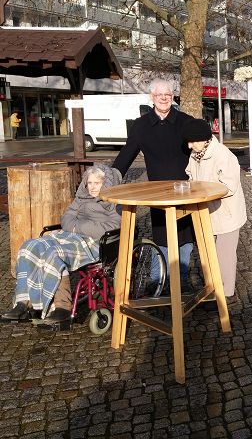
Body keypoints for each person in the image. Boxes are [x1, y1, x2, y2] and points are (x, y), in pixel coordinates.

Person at [0, 165, 122, 329]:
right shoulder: (81, 198)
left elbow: (112, 226)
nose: (92, 187)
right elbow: (66, 219)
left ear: (106, 184)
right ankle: (24, 304)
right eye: (89, 183)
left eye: (97, 183)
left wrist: (78, 226)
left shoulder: (114, 202)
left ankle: (62, 308)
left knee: (52, 253)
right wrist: (76, 227)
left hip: (94, 243)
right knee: (29, 246)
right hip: (70, 237)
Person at [113, 78, 195, 288]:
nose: (164, 98)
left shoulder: (185, 121)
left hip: (184, 187)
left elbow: (200, 146)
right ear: (152, 97)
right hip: (157, 190)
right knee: (161, 233)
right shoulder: (141, 125)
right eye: (160, 95)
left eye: (168, 95)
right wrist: (111, 176)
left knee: (185, 232)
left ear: (173, 96)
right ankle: (159, 279)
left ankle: (181, 277)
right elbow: (127, 153)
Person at [183, 120, 247, 304]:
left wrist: (202, 191)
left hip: (227, 214)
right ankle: (212, 288)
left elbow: (229, 187)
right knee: (208, 254)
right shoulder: (195, 154)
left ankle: (226, 294)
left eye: (193, 141)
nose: (189, 145)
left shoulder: (223, 156)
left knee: (224, 255)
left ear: (204, 139)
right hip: (207, 213)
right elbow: (191, 175)